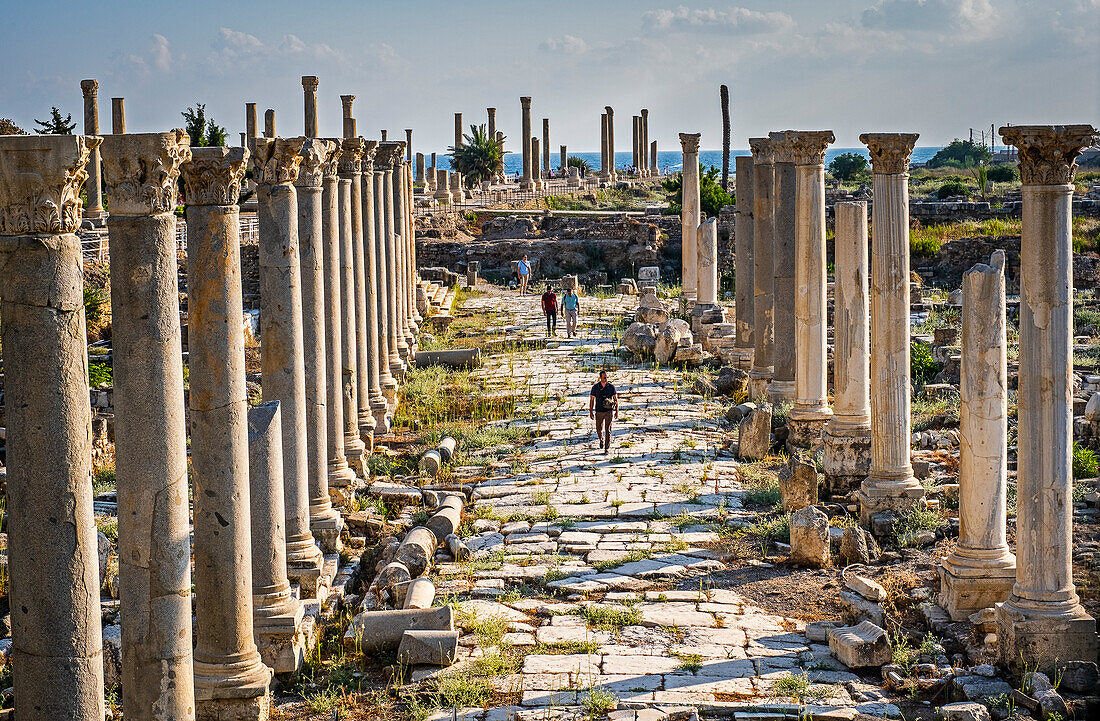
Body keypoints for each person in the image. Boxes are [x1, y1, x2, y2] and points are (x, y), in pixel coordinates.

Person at [588, 370, 618, 454]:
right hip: (599, 411)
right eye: (604, 377)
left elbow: (616, 399)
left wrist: (616, 411)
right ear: (600, 378)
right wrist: (591, 411)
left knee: (608, 430)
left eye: (607, 377)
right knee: (598, 428)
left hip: (608, 411)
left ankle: (606, 448)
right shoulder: (595, 387)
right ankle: (601, 439)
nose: (606, 378)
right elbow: (592, 400)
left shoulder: (611, 387)